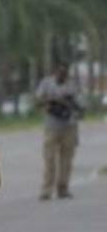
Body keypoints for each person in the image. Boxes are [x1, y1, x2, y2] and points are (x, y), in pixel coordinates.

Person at [35, 62, 82, 200]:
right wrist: (54, 101)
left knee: (66, 160)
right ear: (54, 72)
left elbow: (79, 104)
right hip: (51, 126)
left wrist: (69, 103)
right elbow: (38, 100)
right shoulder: (46, 83)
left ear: (67, 74)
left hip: (70, 126)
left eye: (64, 73)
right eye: (59, 73)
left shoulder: (72, 84)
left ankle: (63, 188)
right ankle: (46, 189)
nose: (62, 75)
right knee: (49, 159)